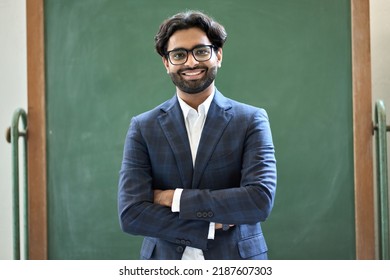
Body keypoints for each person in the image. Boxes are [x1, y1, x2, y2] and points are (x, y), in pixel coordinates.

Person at [118, 10, 276, 260]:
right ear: (166, 63)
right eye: (179, 55)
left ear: (218, 55)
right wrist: (208, 226)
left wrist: (173, 198)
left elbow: (258, 201)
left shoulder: (251, 120)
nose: (191, 63)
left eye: (201, 51)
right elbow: (132, 214)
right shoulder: (143, 127)